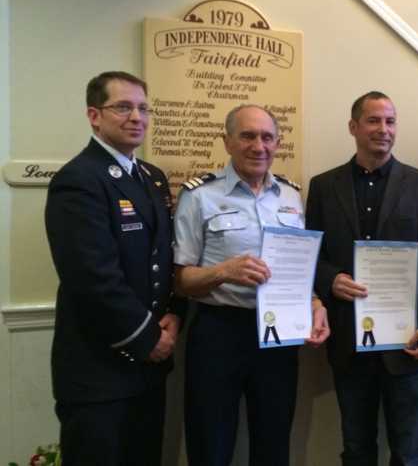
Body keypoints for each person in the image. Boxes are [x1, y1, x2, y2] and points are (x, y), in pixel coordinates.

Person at [173, 104, 330, 466]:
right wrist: (223, 272)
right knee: (210, 442)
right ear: (227, 142)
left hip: (279, 335)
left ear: (277, 143)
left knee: (274, 442)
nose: (258, 146)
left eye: (267, 137)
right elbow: (180, 280)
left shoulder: (291, 197)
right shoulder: (199, 196)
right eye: (247, 136)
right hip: (219, 332)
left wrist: (317, 304)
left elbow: (299, 269)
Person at [45, 71, 185, 466]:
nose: (136, 117)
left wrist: (174, 314)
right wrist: (147, 338)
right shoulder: (78, 180)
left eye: (143, 108)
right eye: (122, 107)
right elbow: (92, 277)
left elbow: (166, 257)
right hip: (99, 371)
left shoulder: (151, 177)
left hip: (147, 369)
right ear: (94, 115)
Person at [305, 91, 418, 466]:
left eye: (390, 121)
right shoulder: (324, 186)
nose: (383, 129)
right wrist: (330, 278)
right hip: (349, 342)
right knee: (356, 447)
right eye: (373, 120)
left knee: (410, 451)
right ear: (353, 127)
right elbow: (312, 255)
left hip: (408, 341)